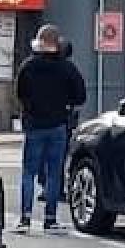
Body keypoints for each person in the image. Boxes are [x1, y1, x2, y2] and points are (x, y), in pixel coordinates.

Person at [15, 25, 86, 235]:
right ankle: (50, 219)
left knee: (29, 172)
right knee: (54, 173)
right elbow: (80, 96)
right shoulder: (67, 68)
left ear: (39, 41)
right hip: (57, 125)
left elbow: (20, 93)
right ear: (57, 43)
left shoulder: (28, 66)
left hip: (34, 125)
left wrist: (30, 107)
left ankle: (25, 219)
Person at [37, 38, 76, 203]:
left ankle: (46, 186)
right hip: (60, 119)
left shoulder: (37, 65)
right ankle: (55, 189)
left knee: (41, 154)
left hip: (37, 119)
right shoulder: (68, 69)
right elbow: (79, 95)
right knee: (57, 156)